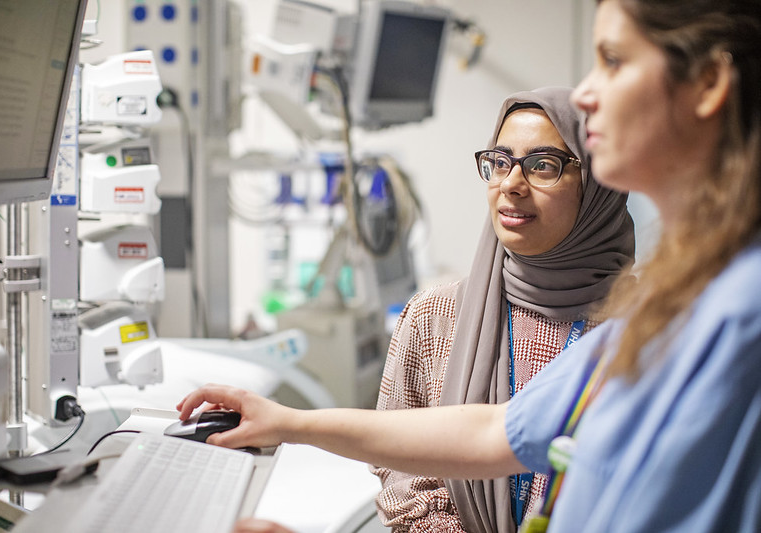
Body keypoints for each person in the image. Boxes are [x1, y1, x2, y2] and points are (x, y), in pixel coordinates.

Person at [179, 0, 761, 530]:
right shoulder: (674, 303)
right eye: (500, 161)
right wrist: (288, 422)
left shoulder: (732, 316)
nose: (586, 95)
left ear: (709, 83)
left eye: (612, 60)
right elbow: (493, 430)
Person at [372, 86, 633, 533]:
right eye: (499, 162)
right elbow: (399, 469)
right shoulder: (433, 318)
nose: (511, 183)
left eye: (543, 165)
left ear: (596, 185)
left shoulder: (651, 327)